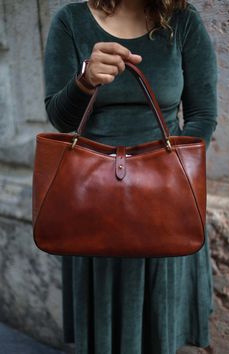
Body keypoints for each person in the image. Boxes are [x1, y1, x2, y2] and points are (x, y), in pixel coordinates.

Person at [43, 0, 218, 353]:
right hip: (95, 202)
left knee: (162, 333)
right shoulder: (71, 20)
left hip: (166, 201)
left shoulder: (182, 22)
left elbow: (202, 116)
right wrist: (86, 81)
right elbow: (61, 120)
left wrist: (170, 176)